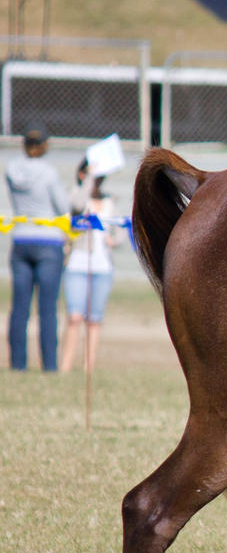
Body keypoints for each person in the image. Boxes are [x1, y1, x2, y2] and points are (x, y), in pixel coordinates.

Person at [5, 123, 70, 372]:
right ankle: (49, 364)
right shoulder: (49, 173)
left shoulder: (11, 169)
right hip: (48, 242)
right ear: (43, 145)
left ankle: (18, 364)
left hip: (21, 240)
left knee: (19, 307)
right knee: (47, 308)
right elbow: (62, 206)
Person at [59, 160, 123, 372]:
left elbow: (122, 228)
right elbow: (77, 206)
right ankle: (66, 366)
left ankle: (88, 367)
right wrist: (87, 181)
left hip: (103, 267)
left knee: (95, 320)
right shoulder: (75, 194)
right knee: (74, 317)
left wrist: (115, 240)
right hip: (77, 263)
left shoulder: (110, 200)